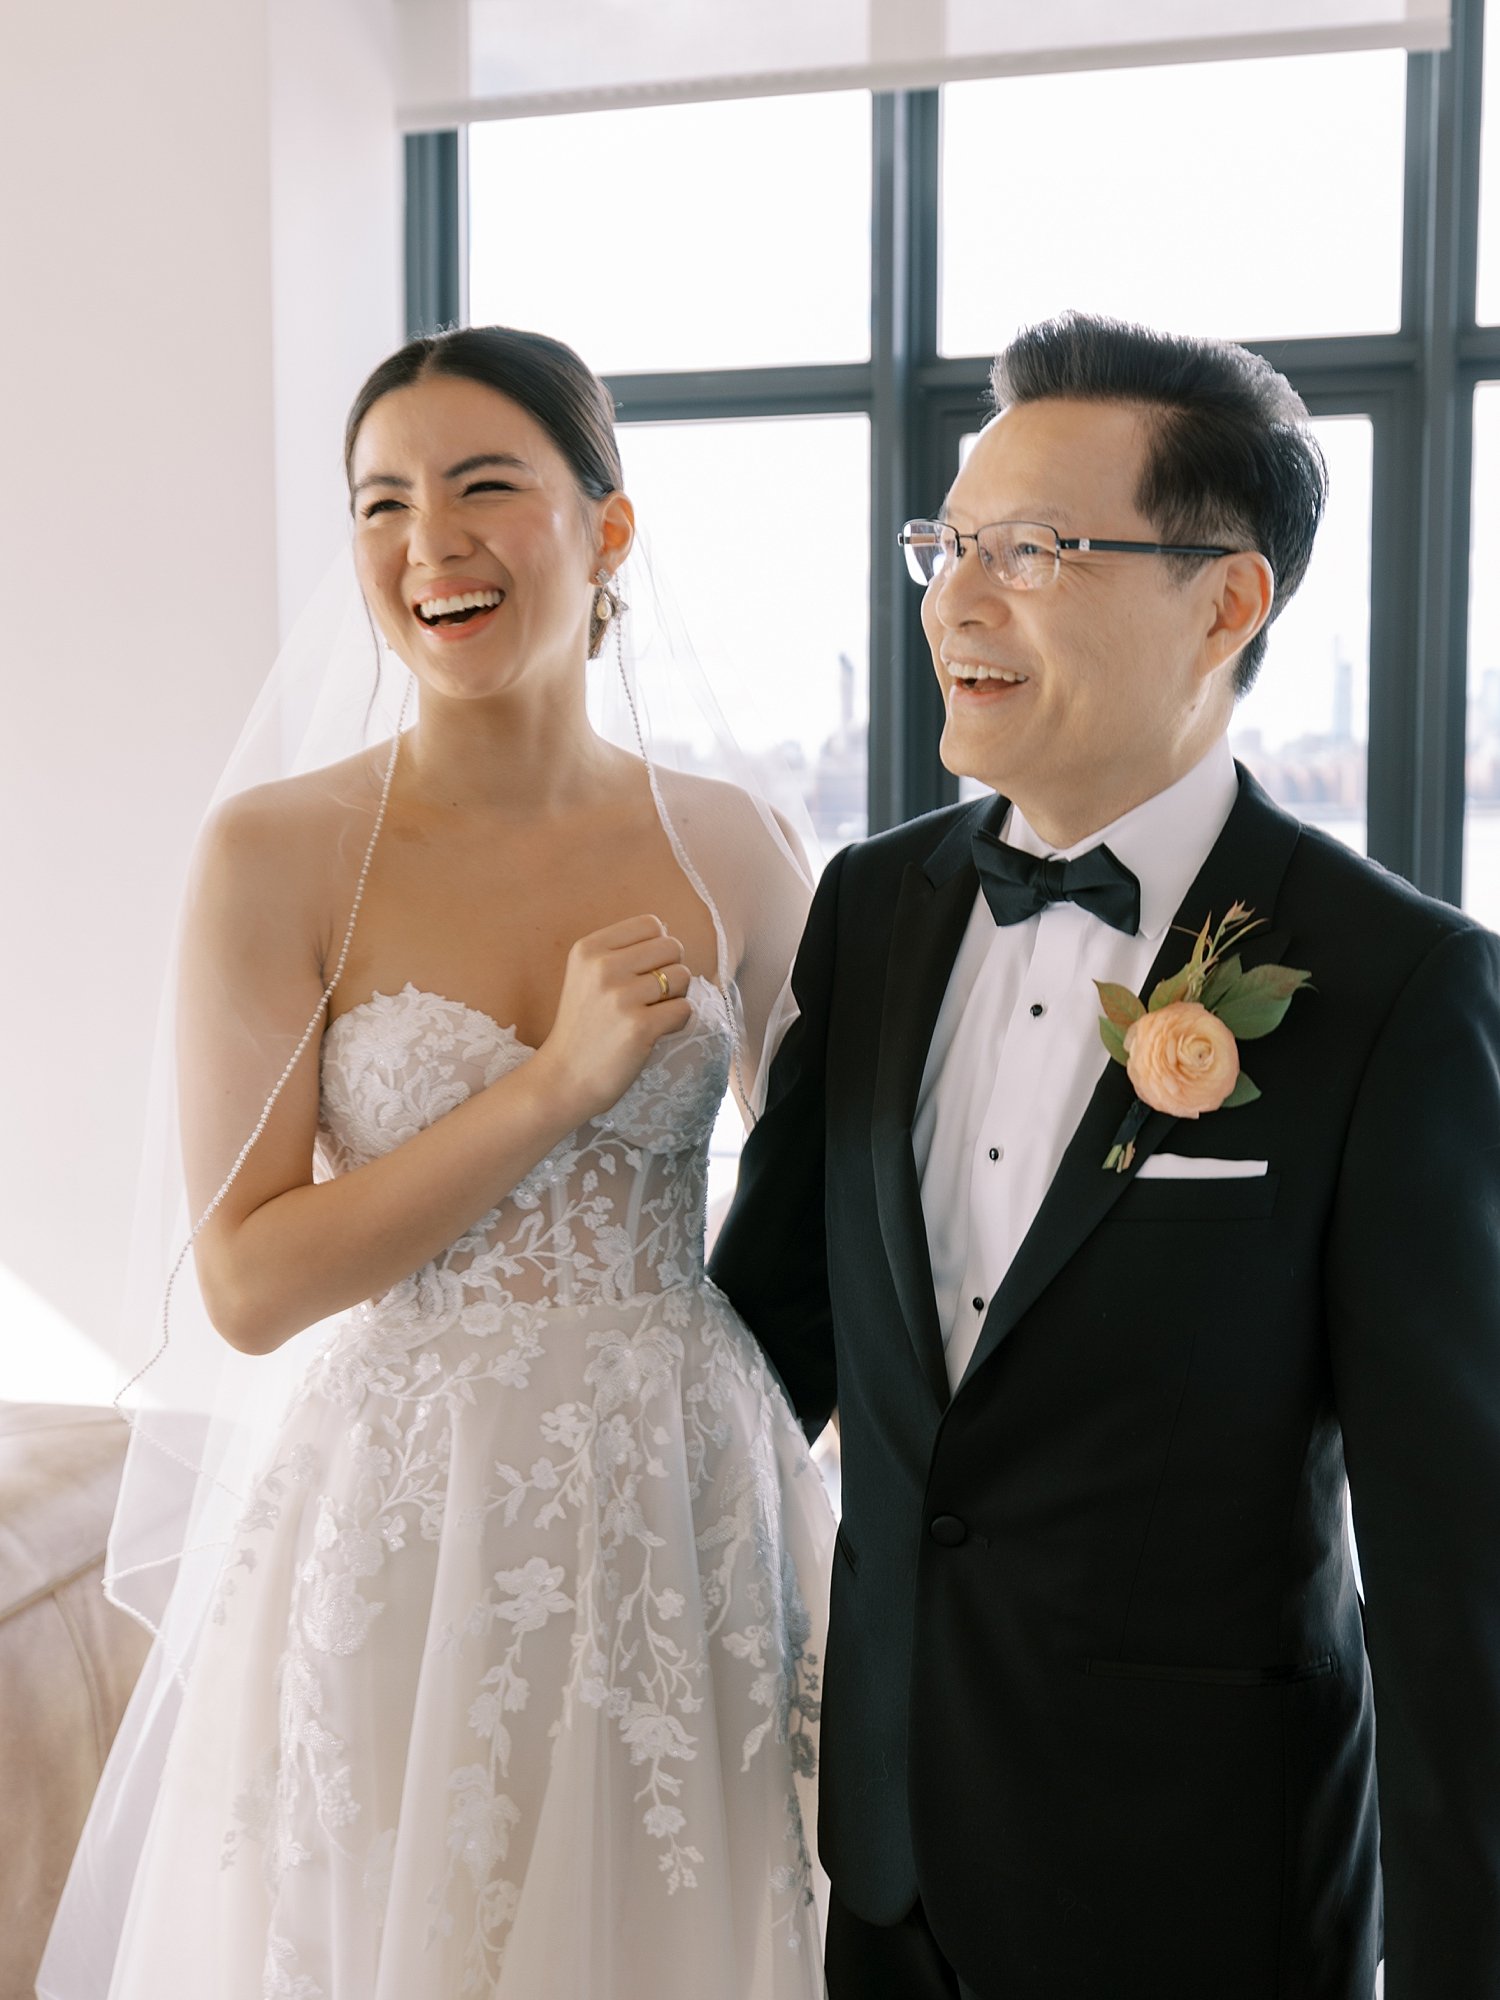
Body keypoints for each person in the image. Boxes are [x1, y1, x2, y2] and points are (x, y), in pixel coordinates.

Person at [710, 310, 1500, 1998]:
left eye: (1038, 550)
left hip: (1201, 1882)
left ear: (1225, 602)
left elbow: (1454, 1577)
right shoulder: (871, 905)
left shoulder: (1399, 985)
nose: (957, 599)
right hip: (889, 1860)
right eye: (953, 543)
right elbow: (754, 1347)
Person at [40, 326, 832, 2000]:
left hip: (692, 1500)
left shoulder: (734, 847)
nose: (428, 544)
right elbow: (250, 1283)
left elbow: (854, 1208)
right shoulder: (280, 852)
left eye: (486, 488)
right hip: (412, 1511)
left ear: (607, 532)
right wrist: (549, 1086)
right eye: (381, 503)